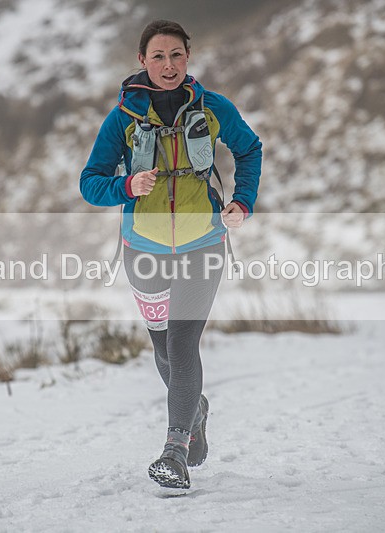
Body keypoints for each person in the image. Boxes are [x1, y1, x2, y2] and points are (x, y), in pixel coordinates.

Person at [80, 20, 262, 489]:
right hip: (143, 249)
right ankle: (195, 408)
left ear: (188, 58)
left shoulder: (213, 107)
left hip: (203, 244)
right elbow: (90, 182)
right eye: (158, 56)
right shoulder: (122, 118)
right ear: (142, 61)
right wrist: (126, 185)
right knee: (162, 349)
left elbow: (250, 149)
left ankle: (174, 450)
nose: (168, 65)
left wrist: (242, 202)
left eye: (176, 56)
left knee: (182, 346)